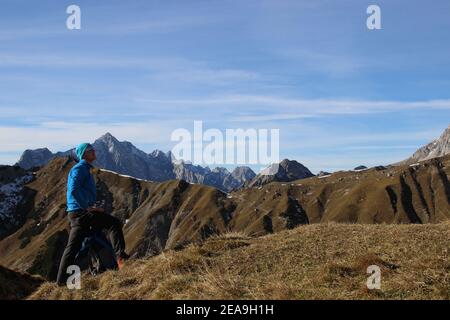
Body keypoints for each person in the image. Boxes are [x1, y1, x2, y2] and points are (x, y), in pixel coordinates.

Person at [56, 142, 129, 286]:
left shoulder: (84, 169)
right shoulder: (80, 168)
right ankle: (121, 259)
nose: (94, 151)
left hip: (77, 214)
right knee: (113, 223)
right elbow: (73, 190)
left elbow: (77, 191)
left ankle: (62, 282)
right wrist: (87, 208)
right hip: (81, 214)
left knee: (77, 246)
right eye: (91, 150)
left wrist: (90, 206)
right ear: (84, 154)